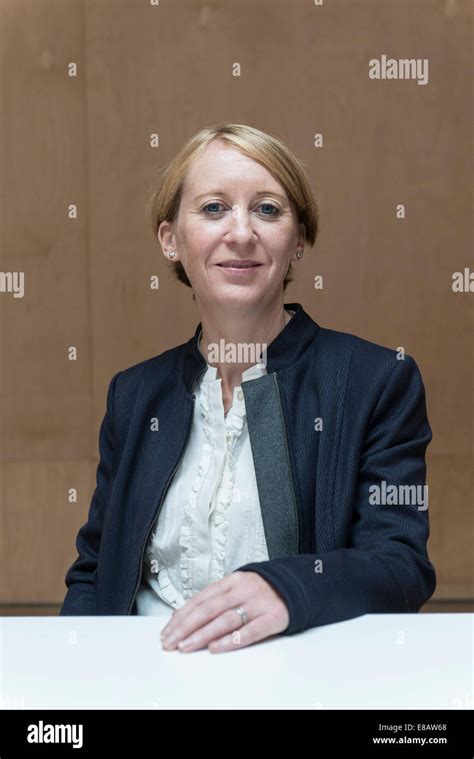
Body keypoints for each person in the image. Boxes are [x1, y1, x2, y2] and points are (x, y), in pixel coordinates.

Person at [60, 123, 436, 654]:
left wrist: (285, 587)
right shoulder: (134, 394)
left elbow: (401, 568)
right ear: (170, 240)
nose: (240, 233)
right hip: (139, 682)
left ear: (299, 238)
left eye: (267, 209)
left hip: (298, 681)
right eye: (213, 208)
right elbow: (95, 573)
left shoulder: (377, 380)